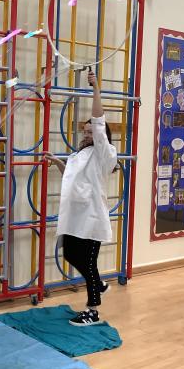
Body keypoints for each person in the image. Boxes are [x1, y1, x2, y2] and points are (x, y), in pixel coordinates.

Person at [44, 69, 117, 326]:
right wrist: (57, 162)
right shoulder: (80, 154)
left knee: (88, 262)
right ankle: (99, 284)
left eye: (90, 132)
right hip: (75, 218)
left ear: (100, 135)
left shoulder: (104, 153)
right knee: (70, 255)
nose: (87, 135)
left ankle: (92, 310)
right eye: (84, 132)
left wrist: (95, 88)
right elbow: (71, 178)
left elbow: (98, 119)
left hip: (92, 218)